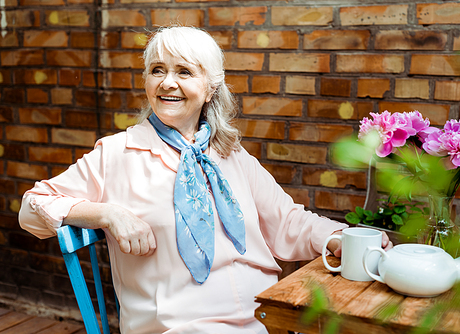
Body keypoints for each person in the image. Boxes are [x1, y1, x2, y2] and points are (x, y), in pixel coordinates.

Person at [18, 26, 392, 334]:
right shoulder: (118, 153)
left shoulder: (230, 153)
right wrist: (107, 214)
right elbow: (34, 206)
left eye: (184, 72)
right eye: (157, 70)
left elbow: (287, 220)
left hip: (267, 316)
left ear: (211, 87)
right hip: (181, 327)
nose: (168, 83)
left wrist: (337, 237)